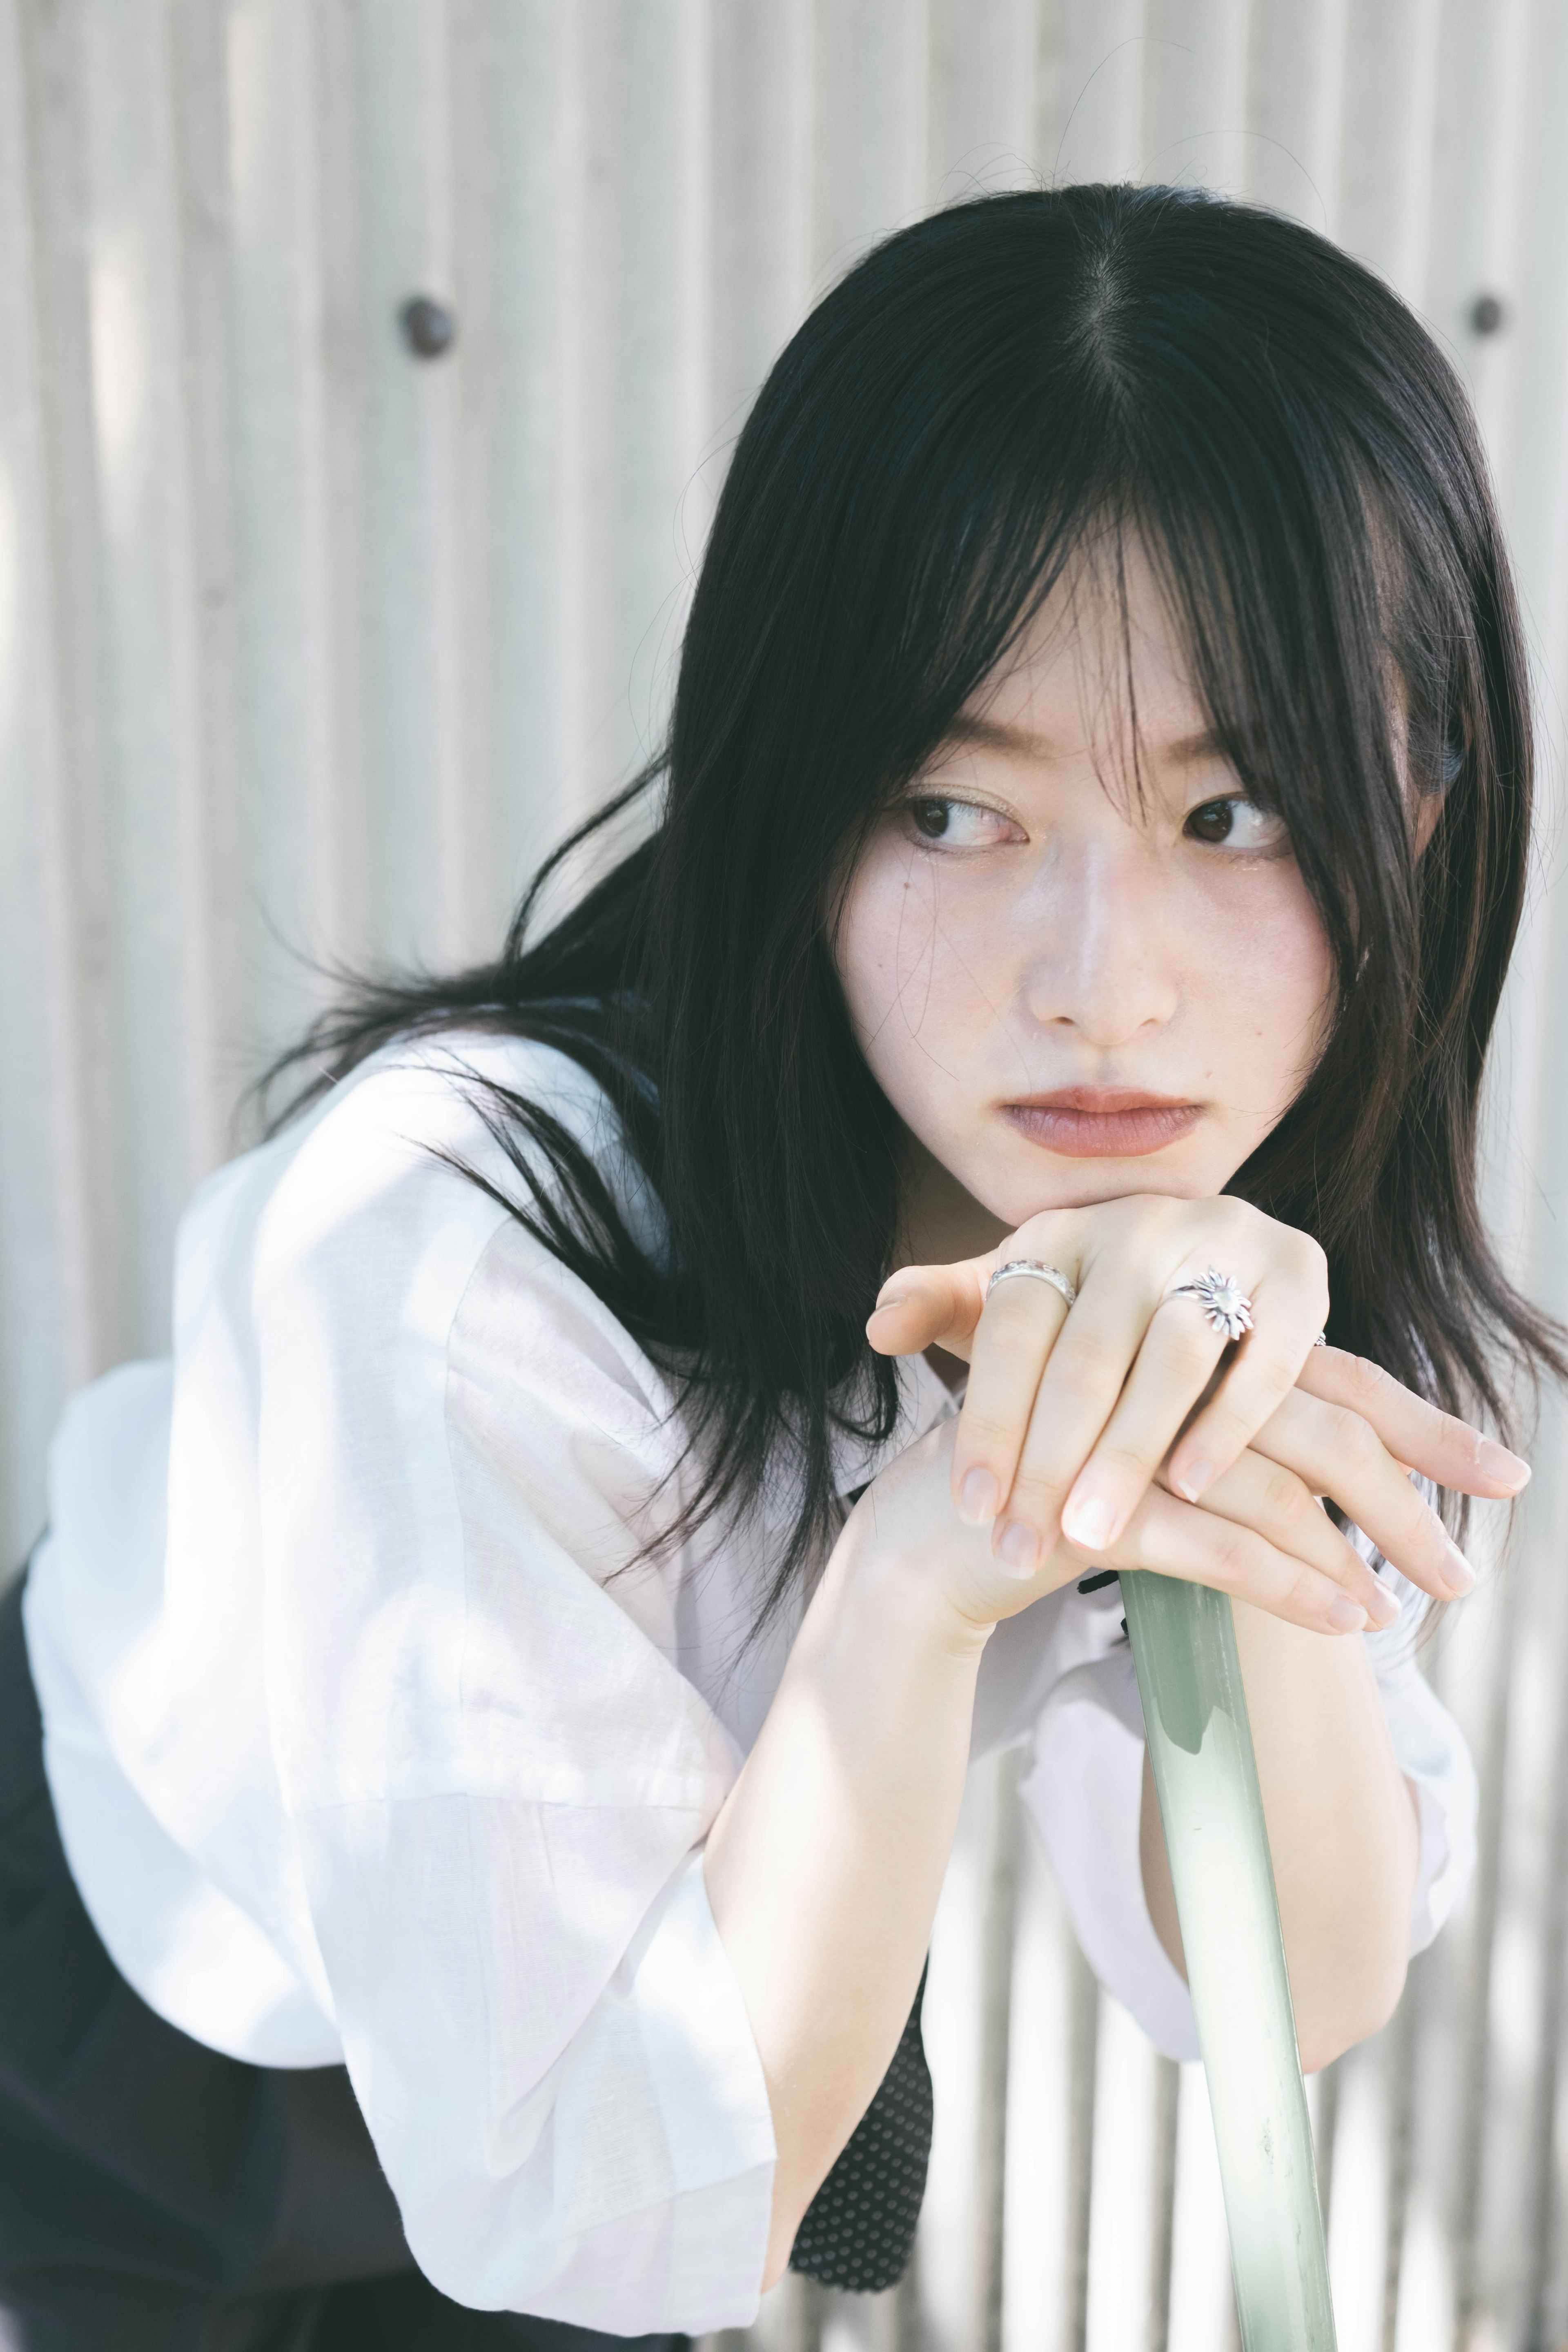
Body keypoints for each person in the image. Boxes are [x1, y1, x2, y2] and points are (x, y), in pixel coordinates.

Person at [2, 183, 1555, 2350]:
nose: (1101, 994)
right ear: (791, 797)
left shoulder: (1216, 1223)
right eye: (951, 808)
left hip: (633, 2046)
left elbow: (1282, 1979)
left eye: (1233, 818)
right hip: (157, 2043)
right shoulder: (454, 1246)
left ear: (1423, 812)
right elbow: (568, 2216)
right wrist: (930, 1562)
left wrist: (1227, 1451)